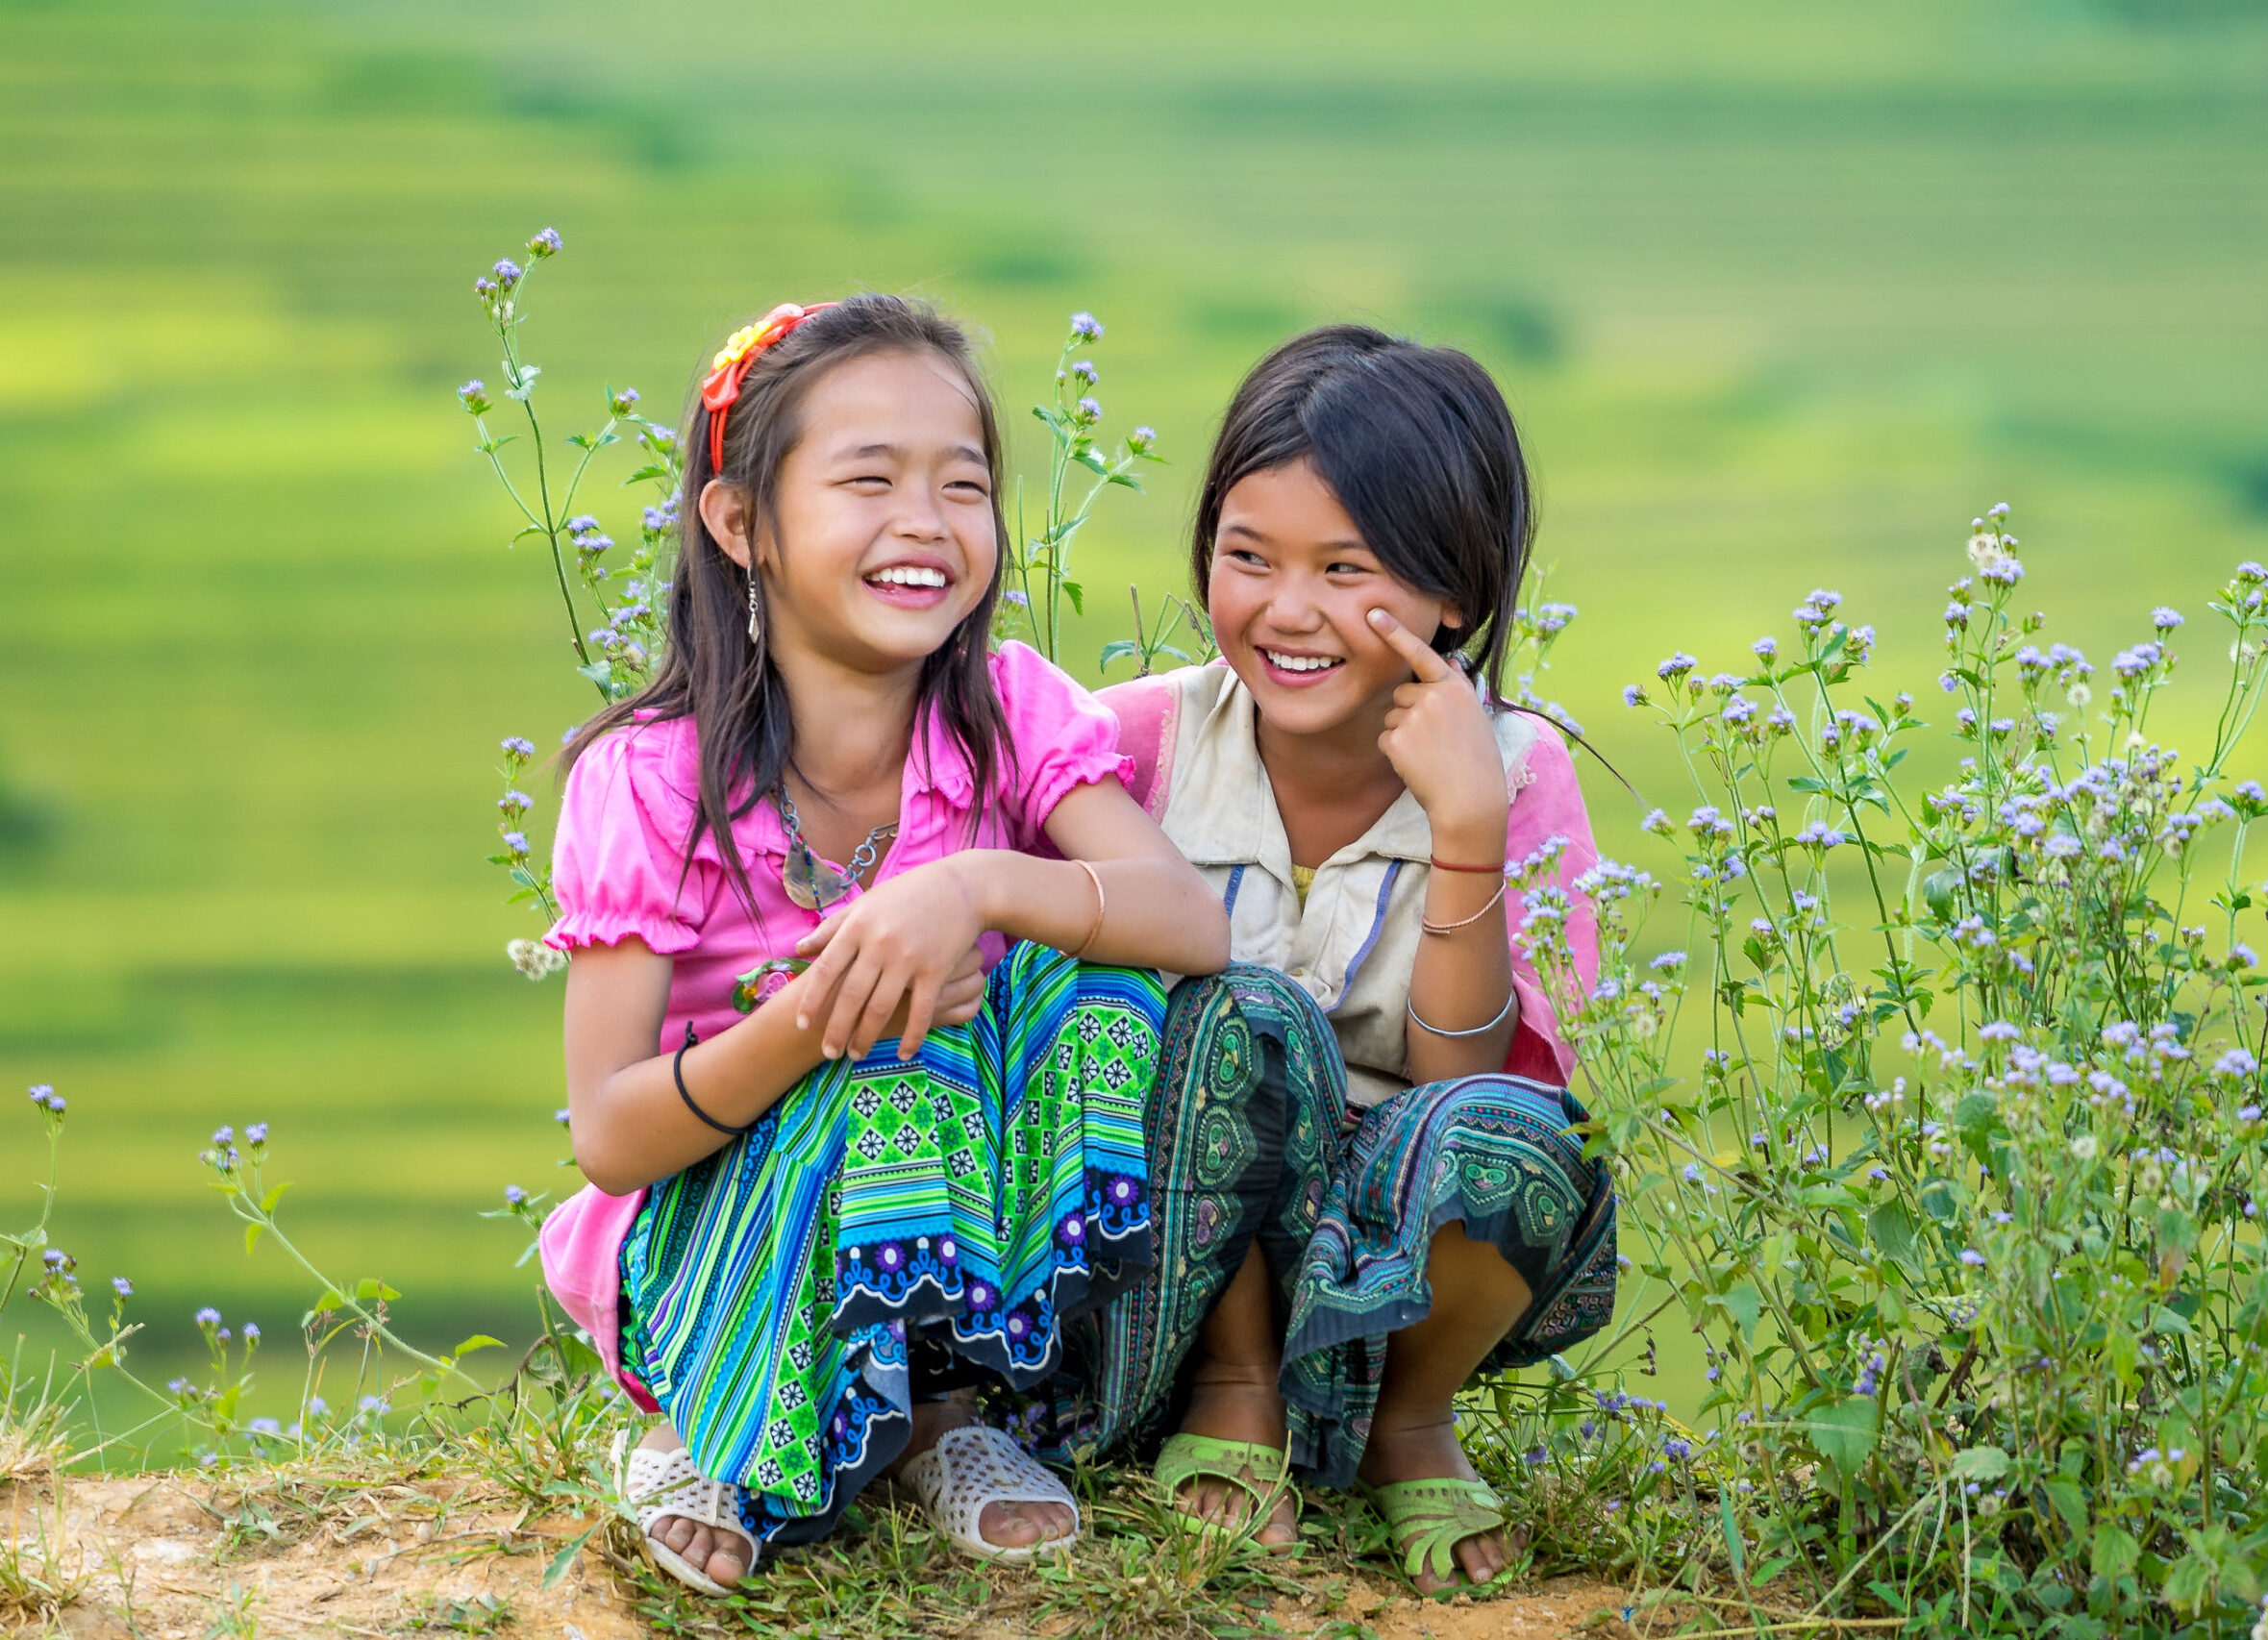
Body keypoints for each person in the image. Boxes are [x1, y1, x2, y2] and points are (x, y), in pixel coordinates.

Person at [535, 295, 1229, 1593]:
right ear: (741, 522)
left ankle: (941, 1413)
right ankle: (713, 1422)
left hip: (942, 1188)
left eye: (961, 485)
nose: (926, 522)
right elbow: (611, 1133)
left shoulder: (1007, 711)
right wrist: (819, 1014)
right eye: (869, 480)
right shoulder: (649, 780)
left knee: (1097, 987)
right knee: (895, 1044)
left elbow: (1188, 920)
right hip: (716, 1220)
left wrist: (971, 885)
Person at [1083, 326, 1620, 1595]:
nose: (1288, 610)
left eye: (1347, 568)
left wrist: (1468, 831)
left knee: (1515, 1133)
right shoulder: (1136, 743)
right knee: (1236, 1016)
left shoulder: (1522, 771)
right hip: (1173, 1242)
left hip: (1399, 1253)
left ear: (1455, 596)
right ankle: (1231, 1386)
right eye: (1248, 557)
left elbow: (1462, 1086)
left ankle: (1403, 1418)